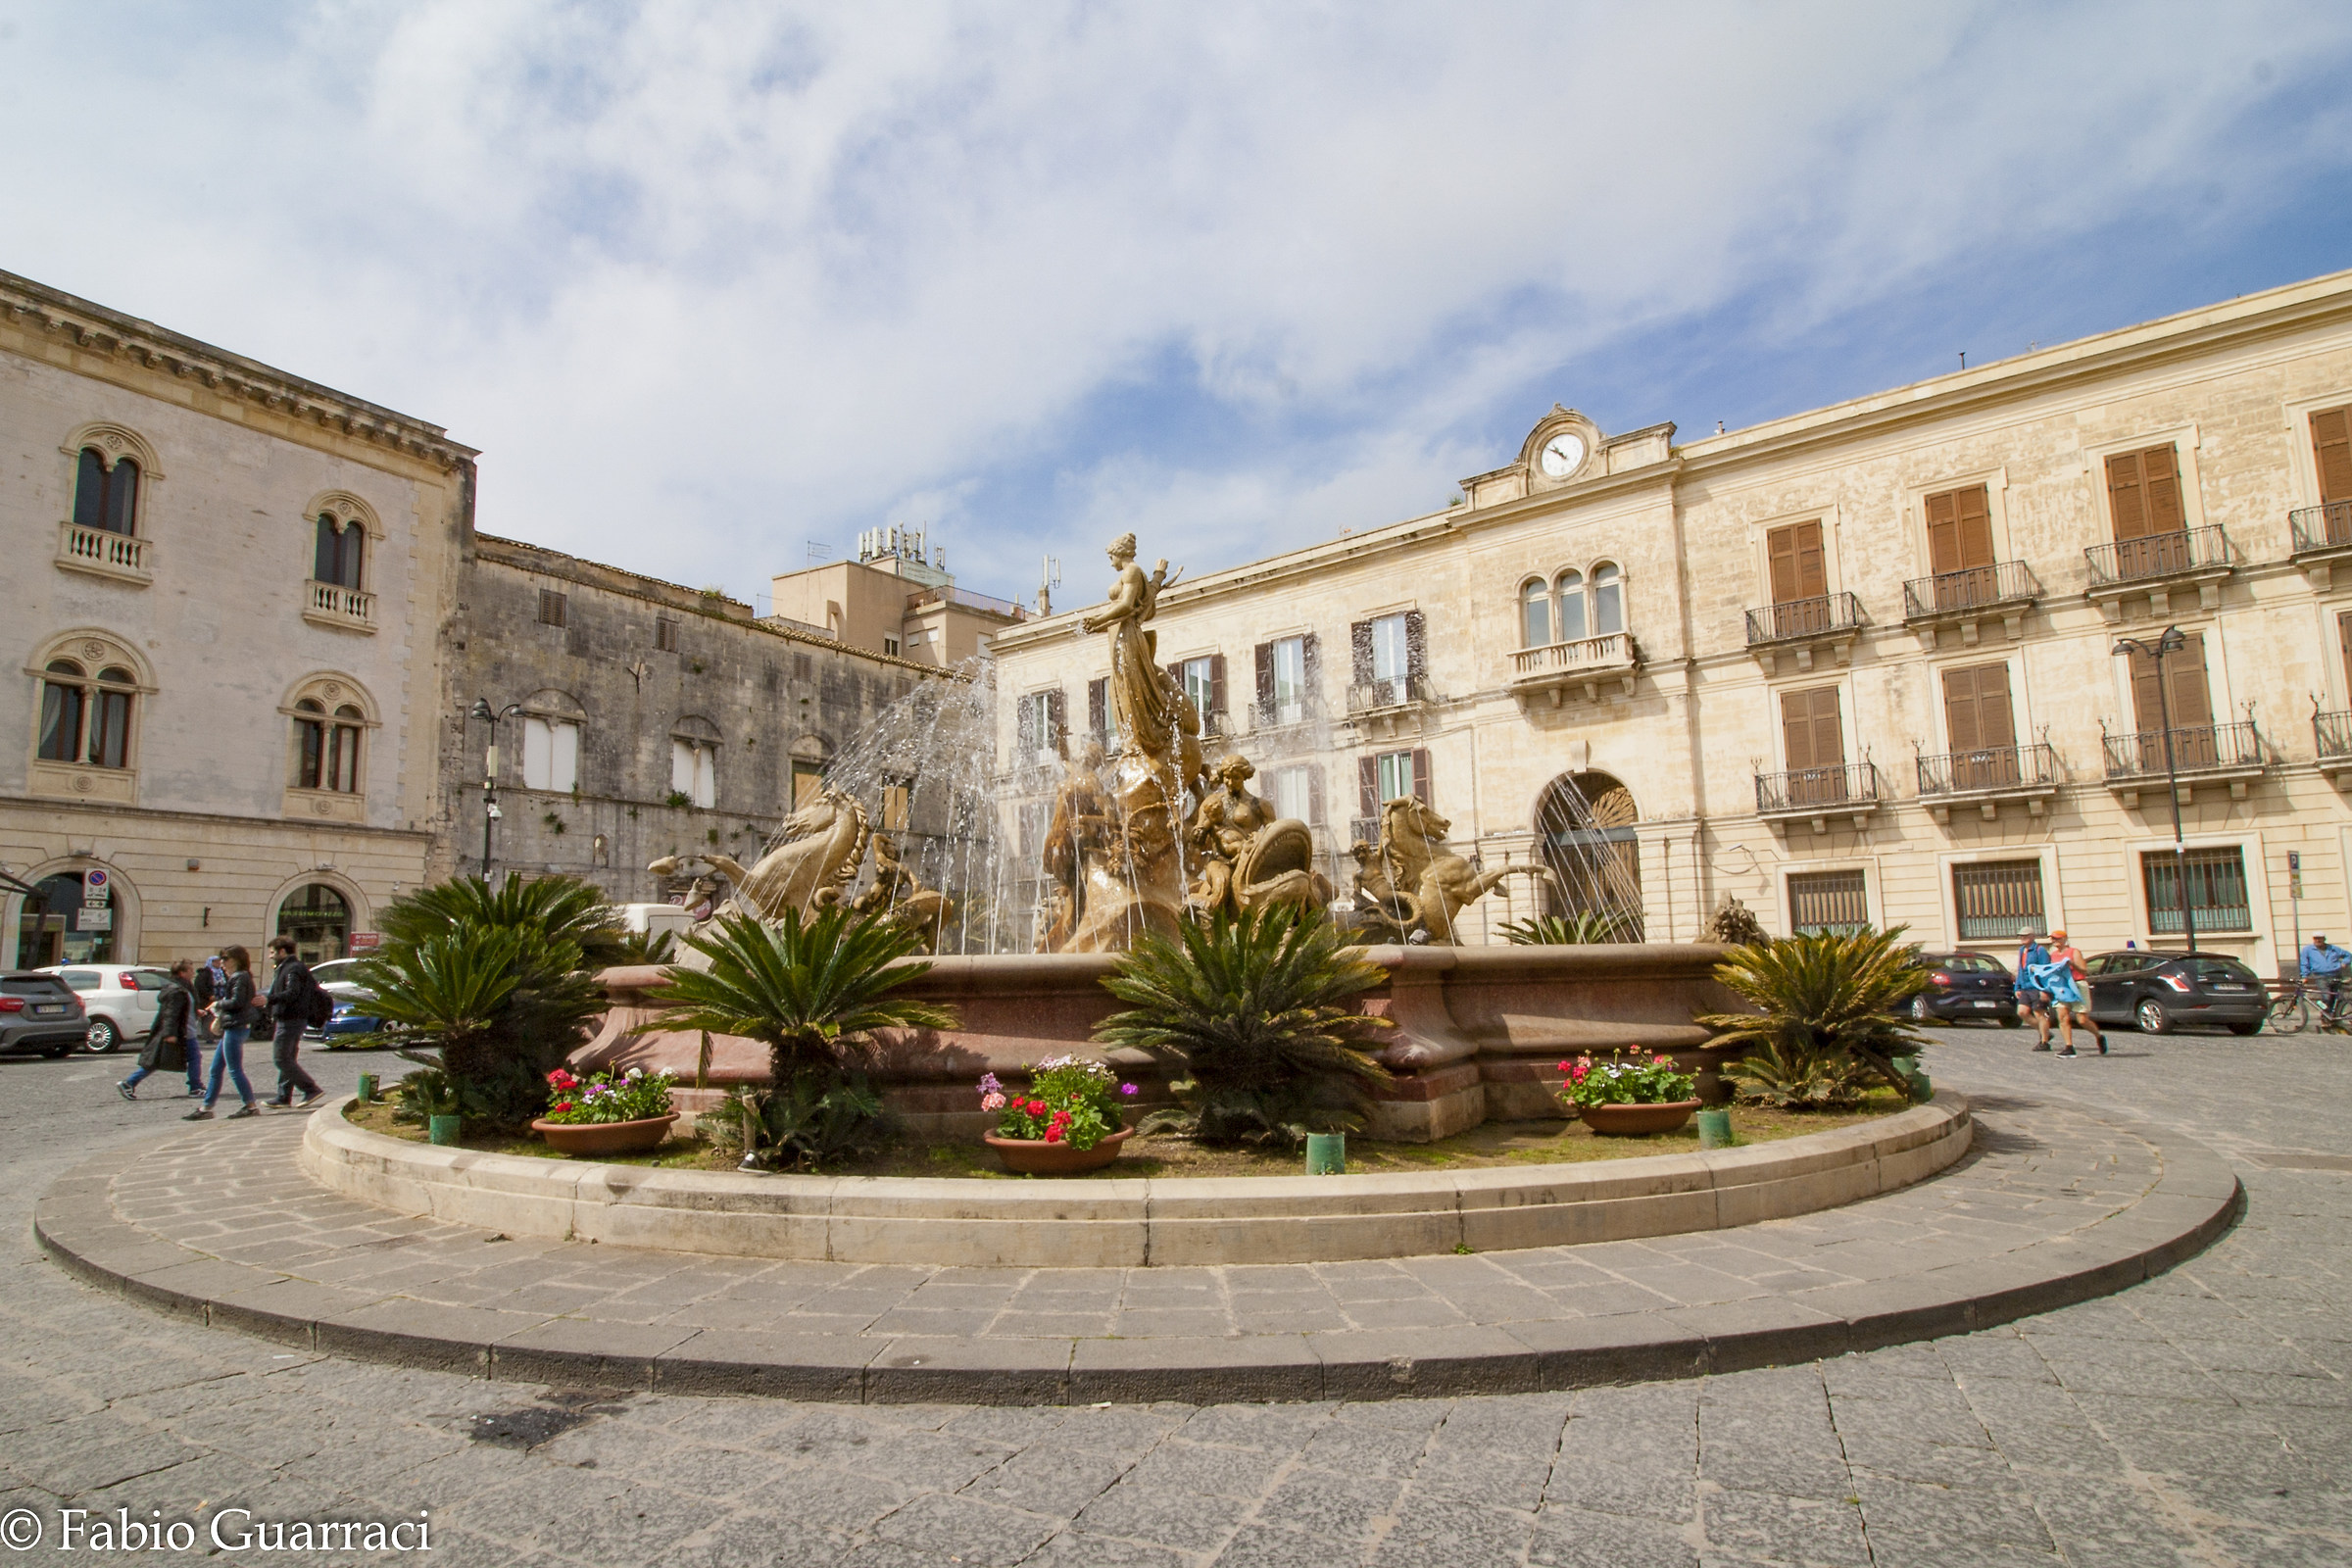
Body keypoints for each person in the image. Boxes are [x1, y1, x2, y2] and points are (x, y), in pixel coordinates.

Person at [185, 946, 261, 1120]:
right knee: (216, 1068)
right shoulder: (238, 977)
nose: (222, 963)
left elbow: (237, 1001)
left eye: (225, 959)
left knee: (234, 1069)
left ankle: (250, 1105)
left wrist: (217, 1004)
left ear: (236, 959)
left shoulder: (240, 977)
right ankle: (206, 1108)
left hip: (236, 1027)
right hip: (233, 1026)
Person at [119, 959, 200, 1100]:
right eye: (190, 970)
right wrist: (170, 1033)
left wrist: (197, 1012)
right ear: (182, 973)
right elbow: (171, 1014)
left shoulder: (183, 988)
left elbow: (182, 1009)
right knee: (186, 1059)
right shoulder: (177, 990)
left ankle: (129, 1082)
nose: (193, 973)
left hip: (185, 1030)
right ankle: (195, 1087)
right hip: (182, 1032)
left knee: (159, 1060)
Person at [263, 936, 326, 1108]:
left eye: (272, 952)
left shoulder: (293, 968)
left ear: (282, 951)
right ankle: (283, 1097)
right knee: (288, 1058)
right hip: (291, 1018)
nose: (270, 956)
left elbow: (292, 993)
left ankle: (310, 1089)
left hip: (291, 1019)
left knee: (281, 1058)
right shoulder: (289, 967)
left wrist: (269, 1000)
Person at [2044, 928, 2107, 1057]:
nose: (2054, 941)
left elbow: (2084, 970)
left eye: (2057, 938)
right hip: (2062, 987)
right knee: (2062, 1016)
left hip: (2077, 985)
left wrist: (2072, 964)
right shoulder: (2053, 955)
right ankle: (2069, 1046)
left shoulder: (2074, 952)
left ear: (2064, 939)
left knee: (2082, 1019)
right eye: (2053, 938)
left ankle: (2099, 1036)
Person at [2014, 932, 2054, 1050]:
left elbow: (2045, 971)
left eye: (2025, 936)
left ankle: (2045, 1042)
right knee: (2022, 1012)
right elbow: (2020, 969)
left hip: (2037, 986)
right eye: (2021, 936)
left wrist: (2044, 990)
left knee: (2039, 1014)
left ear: (2032, 936)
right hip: (2025, 987)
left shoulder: (2040, 950)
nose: (2022, 938)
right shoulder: (2022, 950)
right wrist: (2018, 986)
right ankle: (2045, 1032)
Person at [2302, 933, 2350, 1027]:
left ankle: (2335, 1018)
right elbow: (2304, 963)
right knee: (2326, 998)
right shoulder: (2308, 950)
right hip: (2321, 977)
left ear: (2324, 939)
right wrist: (2305, 976)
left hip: (2335, 975)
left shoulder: (2333, 948)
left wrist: (2345, 963)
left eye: (2320, 938)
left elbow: (2348, 955)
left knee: (2336, 999)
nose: (2318, 940)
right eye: (2315, 938)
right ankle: (2325, 1018)